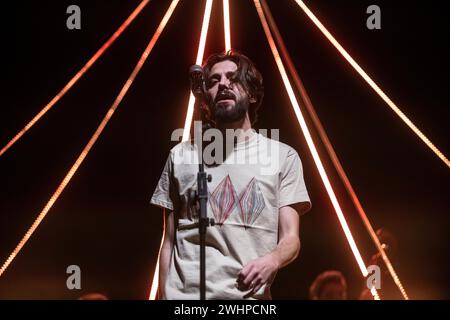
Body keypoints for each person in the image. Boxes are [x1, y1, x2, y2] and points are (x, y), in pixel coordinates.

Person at [150, 51, 311, 299]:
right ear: (205, 96)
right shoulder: (180, 156)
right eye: (214, 81)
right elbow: (169, 242)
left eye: (233, 78)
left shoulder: (283, 157)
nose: (223, 84)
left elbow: (291, 238)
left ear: (253, 94)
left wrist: (272, 260)